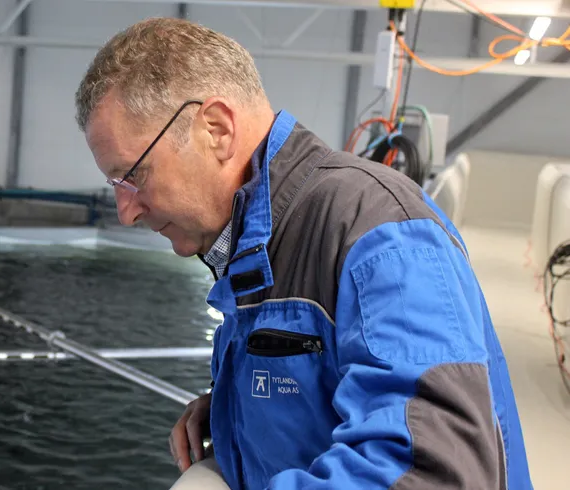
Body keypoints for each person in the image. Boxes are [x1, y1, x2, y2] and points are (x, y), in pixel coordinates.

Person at [74, 17, 532, 490]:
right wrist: (233, 408)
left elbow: (432, 470)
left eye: (133, 176)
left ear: (216, 129)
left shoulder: (379, 230)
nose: (125, 212)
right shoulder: (257, 238)